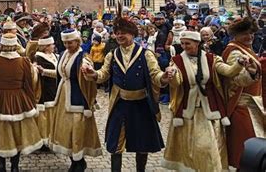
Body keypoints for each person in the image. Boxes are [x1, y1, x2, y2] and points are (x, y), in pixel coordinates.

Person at [83, 11, 171, 172]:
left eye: (123, 33)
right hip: (120, 104)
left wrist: (164, 77)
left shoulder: (146, 54)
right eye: (116, 33)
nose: (119, 36)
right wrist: (93, 74)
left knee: (141, 143)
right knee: (115, 143)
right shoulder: (112, 54)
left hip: (141, 104)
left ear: (132, 34)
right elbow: (104, 74)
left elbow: (155, 75)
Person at [162, 31, 247, 171]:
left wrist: (239, 63)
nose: (184, 46)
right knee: (189, 150)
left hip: (209, 112)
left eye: (187, 43)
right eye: (182, 43)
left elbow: (229, 71)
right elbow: (177, 83)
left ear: (197, 43)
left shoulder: (212, 59)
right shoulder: (176, 61)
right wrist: (171, 75)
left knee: (206, 148)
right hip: (187, 113)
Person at [0, 33, 42, 172]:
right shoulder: (24, 62)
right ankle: (15, 166)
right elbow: (30, 82)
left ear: (2, 45)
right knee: (17, 132)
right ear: (15, 45)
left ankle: (1, 165)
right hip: (18, 99)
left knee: (0, 131)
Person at [49, 29, 102, 172]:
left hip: (78, 98)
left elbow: (89, 78)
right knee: (66, 131)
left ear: (77, 41)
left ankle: (79, 161)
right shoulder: (63, 54)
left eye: (70, 42)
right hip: (62, 97)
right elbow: (60, 73)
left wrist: (88, 71)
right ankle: (73, 159)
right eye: (65, 42)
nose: (67, 45)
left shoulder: (83, 57)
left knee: (77, 130)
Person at [221, 17, 263, 169]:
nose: (250, 36)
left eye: (251, 33)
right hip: (241, 106)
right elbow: (237, 79)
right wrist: (251, 74)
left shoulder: (245, 48)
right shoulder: (234, 52)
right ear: (236, 35)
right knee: (245, 150)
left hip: (253, 105)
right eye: (245, 33)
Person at [34, 36, 58, 148]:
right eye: (51, 45)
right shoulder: (39, 58)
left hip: (54, 88)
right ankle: (43, 140)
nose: (53, 46)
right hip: (44, 89)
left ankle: (50, 137)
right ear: (46, 46)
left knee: (51, 115)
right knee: (44, 116)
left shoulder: (53, 55)